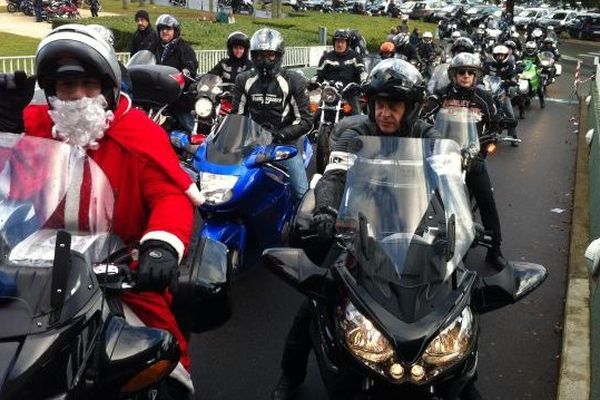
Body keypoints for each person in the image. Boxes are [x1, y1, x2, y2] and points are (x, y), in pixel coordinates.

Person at [0, 24, 203, 398]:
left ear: (109, 88)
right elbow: (7, 183)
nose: (76, 97)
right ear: (51, 93)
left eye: (88, 86)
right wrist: (5, 126)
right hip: (36, 273)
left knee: (164, 357)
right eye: (65, 88)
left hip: (117, 270)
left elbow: (169, 195)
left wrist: (161, 245)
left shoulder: (139, 132)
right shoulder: (37, 125)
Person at [271, 59, 445, 400]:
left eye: (394, 105)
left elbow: (447, 176)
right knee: (315, 302)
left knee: (445, 306)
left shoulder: (425, 134)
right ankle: (290, 375)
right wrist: (325, 211)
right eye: (380, 104)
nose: (385, 113)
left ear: (410, 108)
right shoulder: (355, 133)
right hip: (357, 229)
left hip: (413, 230)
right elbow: (334, 177)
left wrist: (459, 208)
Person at [421, 52, 508, 269]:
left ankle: (495, 249)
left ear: (476, 75)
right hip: (443, 157)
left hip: (472, 159)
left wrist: (485, 145)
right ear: (454, 75)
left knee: (487, 200)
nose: (466, 76)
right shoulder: (441, 96)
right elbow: (423, 117)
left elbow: (495, 125)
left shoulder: (484, 98)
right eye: (462, 72)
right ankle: (420, 245)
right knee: (425, 198)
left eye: (471, 72)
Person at [232, 28, 311, 203]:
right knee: (231, 188)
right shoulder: (243, 80)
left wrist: (281, 135)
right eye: (259, 55)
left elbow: (305, 121)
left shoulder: (293, 80)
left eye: (269, 54)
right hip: (253, 143)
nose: (264, 60)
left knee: (302, 195)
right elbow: (236, 117)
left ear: (279, 55)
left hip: (285, 144)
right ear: (252, 55)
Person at [155, 14, 199, 133]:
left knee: (187, 124)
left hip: (176, 96)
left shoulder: (184, 48)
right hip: (155, 96)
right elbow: (144, 60)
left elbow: (191, 66)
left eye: (168, 29)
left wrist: (184, 73)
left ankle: (193, 142)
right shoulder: (155, 47)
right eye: (162, 29)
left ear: (175, 31)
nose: (164, 31)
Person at [315, 29, 368, 115]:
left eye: (342, 42)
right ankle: (315, 128)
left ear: (347, 43)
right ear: (334, 43)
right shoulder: (326, 57)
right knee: (317, 114)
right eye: (337, 42)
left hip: (349, 93)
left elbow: (362, 71)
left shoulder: (355, 57)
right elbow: (319, 74)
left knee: (357, 116)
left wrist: (364, 81)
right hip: (331, 93)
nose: (339, 44)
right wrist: (313, 81)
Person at [484, 44, 519, 144]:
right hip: (489, 91)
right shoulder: (489, 64)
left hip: (502, 92)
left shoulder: (509, 65)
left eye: (502, 55)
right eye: (498, 55)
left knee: (510, 114)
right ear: (494, 55)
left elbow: (513, 76)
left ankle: (513, 137)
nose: (500, 57)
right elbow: (482, 74)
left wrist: (512, 80)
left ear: (505, 56)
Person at [522, 41, 545, 109]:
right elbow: (519, 60)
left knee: (538, 87)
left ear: (535, 49)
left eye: (532, 48)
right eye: (528, 48)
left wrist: (539, 68)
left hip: (534, 72)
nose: (530, 50)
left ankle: (542, 101)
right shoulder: (523, 54)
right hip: (524, 71)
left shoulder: (537, 55)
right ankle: (525, 98)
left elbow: (540, 63)